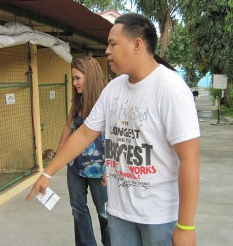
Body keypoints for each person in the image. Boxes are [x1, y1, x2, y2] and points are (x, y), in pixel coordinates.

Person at [26, 13, 200, 246]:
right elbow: (85, 134)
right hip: (120, 213)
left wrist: (186, 226)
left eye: (113, 43)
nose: (107, 50)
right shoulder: (113, 89)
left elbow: (190, 159)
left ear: (137, 44)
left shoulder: (171, 89)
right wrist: (48, 173)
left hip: (159, 217)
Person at [55, 57, 110, 246]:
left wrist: (110, 167)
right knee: (78, 210)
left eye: (78, 78)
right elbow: (68, 128)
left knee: (105, 214)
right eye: (73, 78)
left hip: (100, 170)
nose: (74, 83)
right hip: (75, 168)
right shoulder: (77, 102)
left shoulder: (106, 101)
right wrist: (58, 158)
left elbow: (115, 136)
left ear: (91, 76)